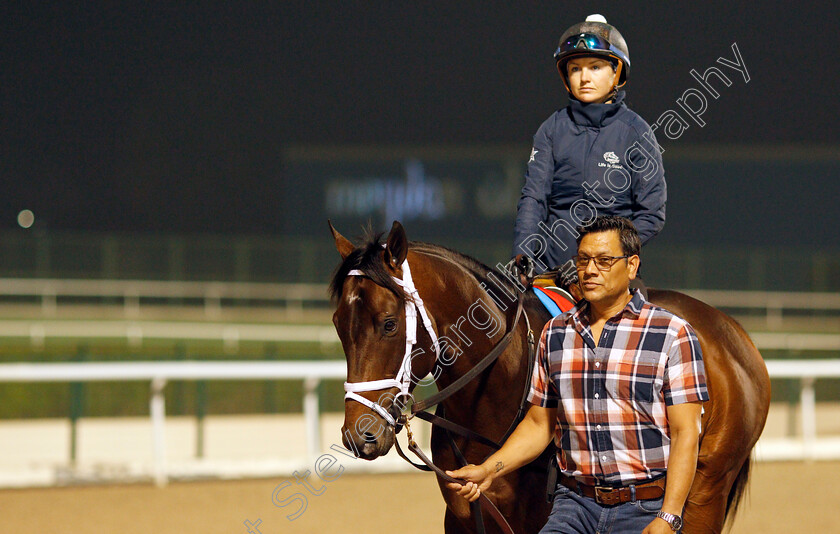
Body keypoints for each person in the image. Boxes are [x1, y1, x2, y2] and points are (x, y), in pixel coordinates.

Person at [448, 216, 708, 533]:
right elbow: (538, 424)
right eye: (583, 260)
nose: (590, 270)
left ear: (632, 266)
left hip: (645, 508)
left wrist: (669, 516)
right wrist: (489, 469)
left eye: (604, 260)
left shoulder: (673, 334)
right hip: (573, 505)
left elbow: (686, 434)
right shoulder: (555, 333)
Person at [511, 15, 666, 288]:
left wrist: (600, 258)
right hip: (552, 273)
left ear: (616, 73)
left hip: (614, 276)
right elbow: (533, 199)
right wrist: (522, 253)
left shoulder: (637, 133)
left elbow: (651, 214)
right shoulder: (551, 129)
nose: (584, 78)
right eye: (575, 69)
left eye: (595, 67)